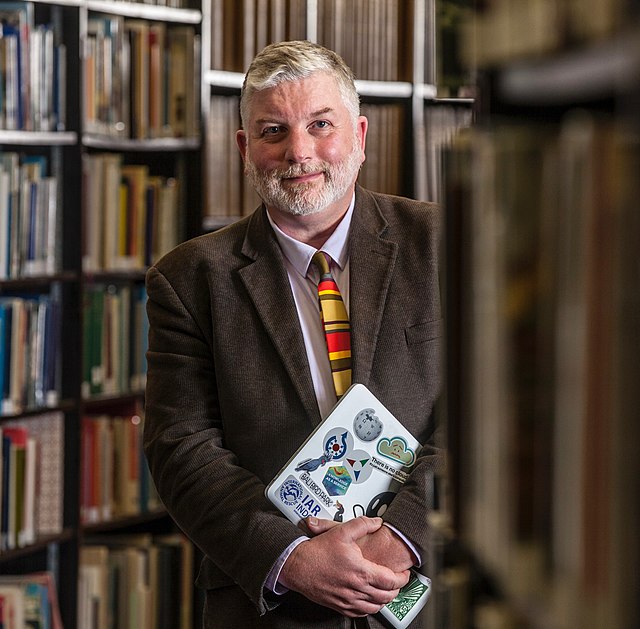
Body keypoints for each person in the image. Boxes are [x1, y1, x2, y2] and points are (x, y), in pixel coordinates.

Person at [144, 40, 444, 629]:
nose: (299, 152)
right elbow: (181, 447)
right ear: (244, 148)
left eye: (320, 124)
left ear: (359, 135)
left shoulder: (445, 244)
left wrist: (406, 535)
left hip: (431, 585)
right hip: (274, 606)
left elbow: (498, 413)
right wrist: (292, 557)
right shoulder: (187, 279)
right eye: (273, 130)